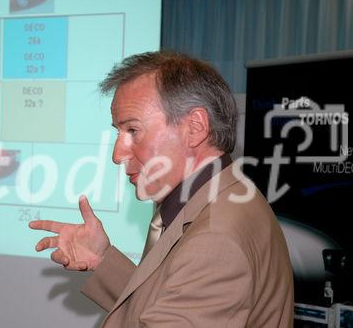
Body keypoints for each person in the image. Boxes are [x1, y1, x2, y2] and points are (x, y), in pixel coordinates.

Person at [29, 51, 294, 327]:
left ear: (195, 127)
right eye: (118, 133)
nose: (117, 155)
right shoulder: (216, 196)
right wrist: (102, 260)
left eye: (133, 130)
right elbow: (168, 303)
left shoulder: (215, 240)